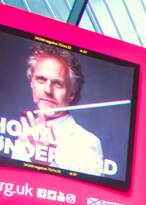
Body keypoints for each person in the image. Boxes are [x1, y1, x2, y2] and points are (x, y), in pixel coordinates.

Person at [12, 45, 105, 176]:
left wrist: (47, 164)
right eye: (41, 80)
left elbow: (84, 194)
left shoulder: (88, 142)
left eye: (57, 84)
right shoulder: (25, 132)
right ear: (31, 82)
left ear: (72, 93)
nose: (48, 90)